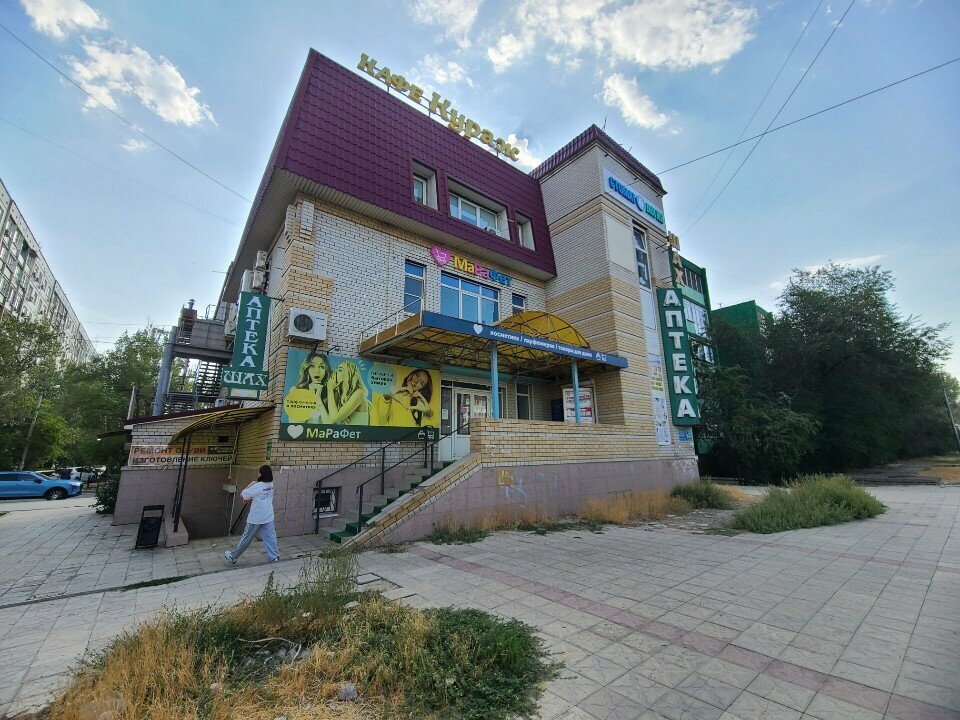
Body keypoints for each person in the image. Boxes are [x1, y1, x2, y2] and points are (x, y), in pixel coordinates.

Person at [224, 465, 279, 564]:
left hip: (256, 518)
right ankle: (274, 557)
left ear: (261, 474)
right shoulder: (271, 484)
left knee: (246, 538)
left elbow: (243, 494)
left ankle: (233, 557)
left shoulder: (257, 486)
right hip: (268, 516)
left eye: (259, 472)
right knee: (270, 538)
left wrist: (250, 485)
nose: (258, 474)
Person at [372, 368, 436, 427]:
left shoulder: (420, 404)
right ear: (411, 374)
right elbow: (380, 420)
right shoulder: (394, 395)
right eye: (417, 375)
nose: (416, 380)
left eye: (421, 382)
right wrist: (387, 396)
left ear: (422, 389)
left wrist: (428, 411)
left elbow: (433, 427)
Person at [294, 352, 332, 423]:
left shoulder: (331, 393)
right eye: (312, 366)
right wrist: (311, 396)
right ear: (307, 369)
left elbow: (330, 426)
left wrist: (318, 397)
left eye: (321, 367)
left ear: (326, 371)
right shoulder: (296, 391)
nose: (317, 371)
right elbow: (296, 423)